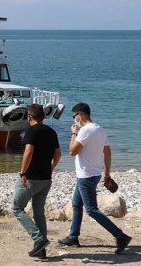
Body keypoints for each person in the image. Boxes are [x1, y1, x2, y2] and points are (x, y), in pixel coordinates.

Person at [58, 102, 132, 254]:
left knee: (91, 210)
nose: (74, 120)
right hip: (94, 174)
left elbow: (72, 151)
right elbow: (108, 153)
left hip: (86, 176)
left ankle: (120, 236)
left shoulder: (84, 131)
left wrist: (73, 133)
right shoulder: (100, 130)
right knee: (76, 204)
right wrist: (107, 173)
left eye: (74, 116)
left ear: (81, 115)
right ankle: (73, 237)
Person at [11, 104, 61, 259]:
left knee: (16, 208)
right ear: (43, 117)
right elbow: (58, 153)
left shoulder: (31, 131)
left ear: (29, 117)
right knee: (38, 212)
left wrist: (23, 172)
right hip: (46, 178)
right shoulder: (51, 132)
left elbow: (29, 151)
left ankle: (38, 239)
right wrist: (51, 168)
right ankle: (41, 250)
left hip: (31, 177)